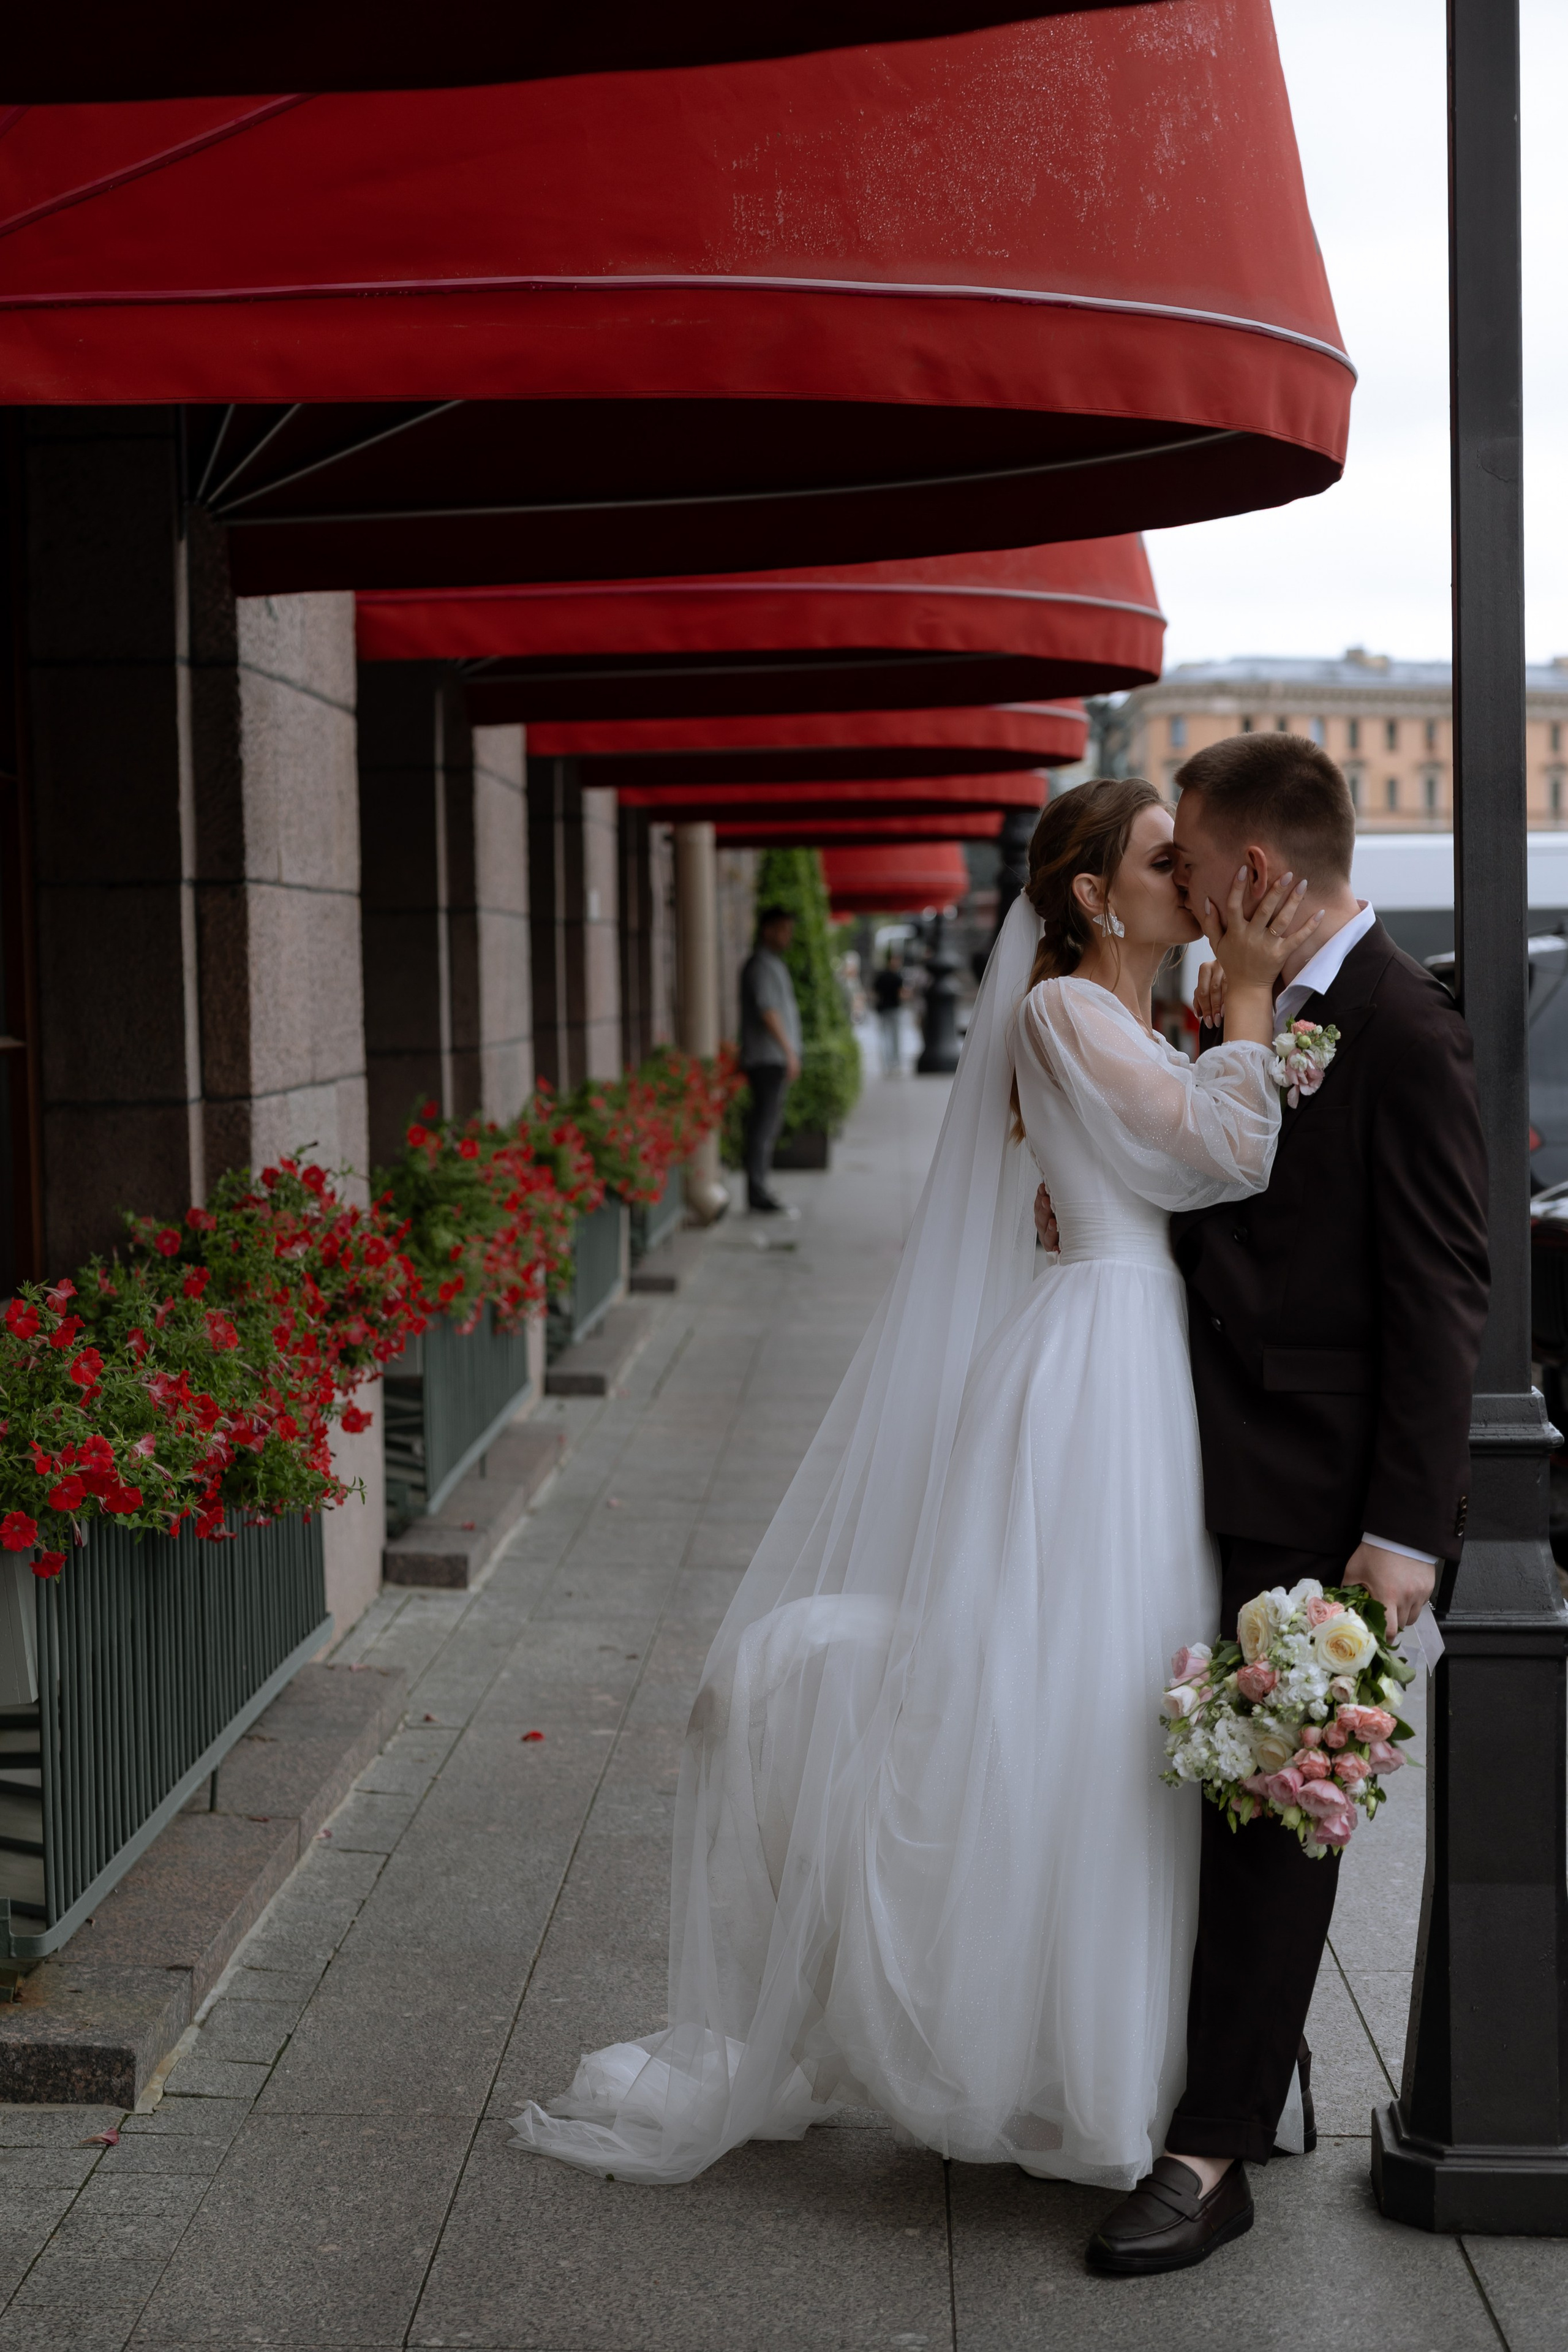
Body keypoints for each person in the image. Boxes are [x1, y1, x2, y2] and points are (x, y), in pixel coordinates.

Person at [510, 777, 1321, 2199]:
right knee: (1067, 1692)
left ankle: (1105, 2048)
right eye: (1156, 859)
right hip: (1092, 1378)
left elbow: (1147, 1173)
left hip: (1126, 1357)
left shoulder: (1121, 1019)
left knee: (1118, 1691)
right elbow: (1223, 1150)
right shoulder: (1065, 1007)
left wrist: (1214, 1026)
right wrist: (1250, 998)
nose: (1183, 877)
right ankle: (1045, 2049)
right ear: (1086, 894)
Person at [1039, 734, 1488, 2275]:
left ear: (1251, 875)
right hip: (1199, 1456)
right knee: (1211, 1796)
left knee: (1271, 1818)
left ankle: (1208, 2147)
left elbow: (1438, 1297)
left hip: (1315, 1492)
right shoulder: (1271, 1002)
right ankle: (1242, 2080)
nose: (1179, 885)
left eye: (1189, 862)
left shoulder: (1397, 1026)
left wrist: (1403, 1536)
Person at [738, 905, 802, 1215]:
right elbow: (768, 1011)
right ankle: (758, 1192)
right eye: (783, 929)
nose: (788, 936)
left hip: (772, 1057)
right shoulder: (762, 966)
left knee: (767, 1125)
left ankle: (760, 1188)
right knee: (763, 1127)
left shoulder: (771, 963)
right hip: (767, 1059)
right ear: (768, 930)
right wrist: (788, 1051)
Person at [872, 949, 906, 1074]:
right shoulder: (898, 977)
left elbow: (874, 992)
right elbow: (902, 994)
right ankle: (894, 1064)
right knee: (894, 1037)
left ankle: (888, 1065)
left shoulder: (881, 976)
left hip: (883, 1008)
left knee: (886, 1037)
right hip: (894, 1009)